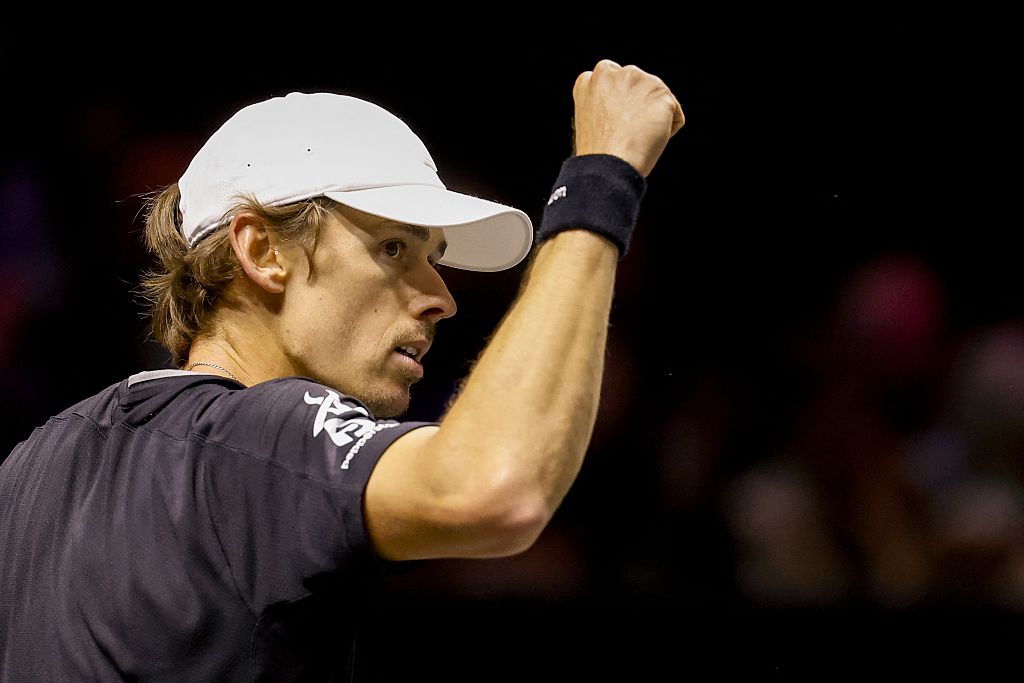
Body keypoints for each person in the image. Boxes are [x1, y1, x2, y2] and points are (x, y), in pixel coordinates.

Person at [0, 59, 685, 681]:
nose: (442, 296)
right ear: (263, 248)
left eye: (434, 256)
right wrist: (602, 176)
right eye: (393, 248)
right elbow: (495, 486)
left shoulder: (25, 469)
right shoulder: (260, 433)